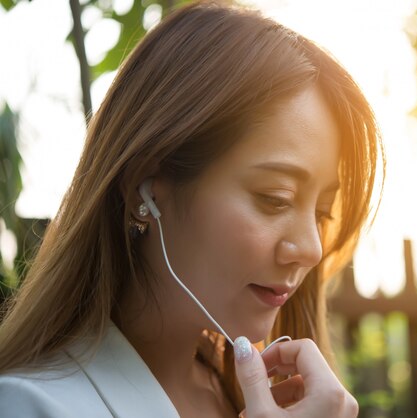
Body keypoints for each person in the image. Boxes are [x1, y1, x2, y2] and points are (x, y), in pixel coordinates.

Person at [0, 2, 383, 417]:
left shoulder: (263, 400)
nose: (311, 249)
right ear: (144, 191)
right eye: (276, 198)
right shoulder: (31, 405)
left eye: (323, 212)